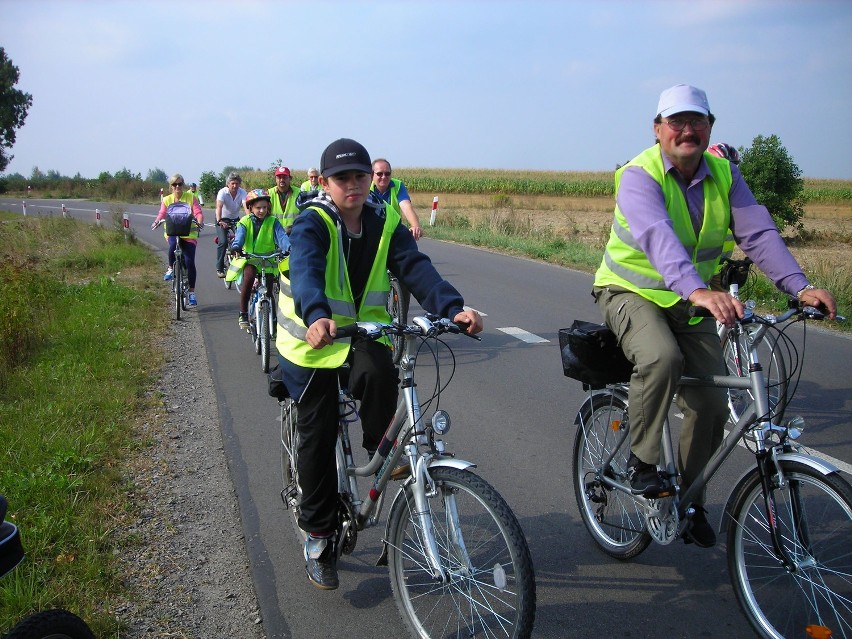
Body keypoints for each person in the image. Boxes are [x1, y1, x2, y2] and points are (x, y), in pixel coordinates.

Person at [592, 84, 836, 549]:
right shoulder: (638, 175)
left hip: (689, 297)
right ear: (658, 129)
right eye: (676, 121)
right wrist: (700, 290)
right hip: (630, 289)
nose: (687, 130)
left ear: (710, 127)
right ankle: (643, 464)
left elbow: (758, 233)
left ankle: (689, 500)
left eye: (697, 121)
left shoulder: (725, 174)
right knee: (662, 358)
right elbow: (657, 236)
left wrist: (800, 286)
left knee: (709, 402)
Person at [275, 138, 483, 589]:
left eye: (360, 176)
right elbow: (307, 269)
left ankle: (378, 448)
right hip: (308, 341)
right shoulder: (312, 222)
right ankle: (318, 535)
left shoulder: (383, 220)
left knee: (380, 372)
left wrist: (453, 308)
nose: (352, 184)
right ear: (326, 183)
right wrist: (315, 316)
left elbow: (416, 268)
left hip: (357, 334)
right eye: (341, 178)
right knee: (319, 425)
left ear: (372, 179)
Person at [229, 189, 291, 329]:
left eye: (264, 207)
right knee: (249, 278)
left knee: (269, 291)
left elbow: (282, 237)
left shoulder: (273, 221)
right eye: (258, 208)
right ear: (250, 208)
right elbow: (239, 236)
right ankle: (243, 313)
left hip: (268, 261)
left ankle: (273, 321)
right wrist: (237, 246)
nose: (262, 211)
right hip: (250, 260)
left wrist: (289, 248)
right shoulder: (244, 222)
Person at [151, 173, 205, 306]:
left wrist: (200, 221)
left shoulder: (191, 197)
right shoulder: (167, 199)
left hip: (189, 234)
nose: (177, 187)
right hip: (173, 232)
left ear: (183, 185)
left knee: (189, 261)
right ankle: (170, 268)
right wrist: (157, 221)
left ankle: (192, 292)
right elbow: (162, 213)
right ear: (171, 187)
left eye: (180, 184)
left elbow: (198, 212)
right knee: (173, 246)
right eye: (174, 185)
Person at [370, 158, 423, 240]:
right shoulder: (366, 187)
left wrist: (415, 226)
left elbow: (406, 206)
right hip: (371, 232)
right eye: (380, 174)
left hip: (394, 232)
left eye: (387, 173)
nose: (384, 177)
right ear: (372, 175)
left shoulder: (398, 186)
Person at [215, 172, 248, 278]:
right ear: (228, 184)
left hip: (235, 219)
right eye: (232, 183)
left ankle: (241, 262)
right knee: (223, 242)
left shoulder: (242, 192)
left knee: (243, 239)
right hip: (222, 219)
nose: (235, 186)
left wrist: (250, 219)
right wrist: (219, 220)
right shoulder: (222, 192)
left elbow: (246, 206)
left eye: (237, 183)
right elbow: (219, 207)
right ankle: (219, 268)